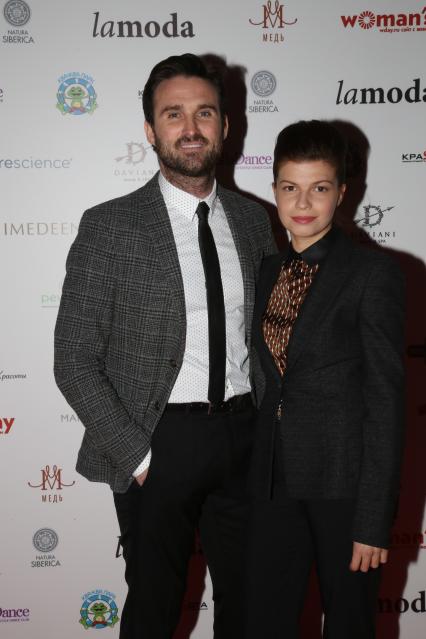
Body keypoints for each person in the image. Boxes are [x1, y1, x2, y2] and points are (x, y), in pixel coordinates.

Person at [54, 53, 275, 638]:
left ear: (226, 125)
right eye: (173, 114)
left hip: (245, 438)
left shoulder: (256, 222)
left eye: (205, 112)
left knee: (250, 605)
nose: (191, 128)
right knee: (154, 611)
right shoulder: (109, 226)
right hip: (157, 438)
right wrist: (141, 458)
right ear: (151, 131)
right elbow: (73, 358)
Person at [246, 120, 405, 638]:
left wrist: (373, 520)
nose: (302, 203)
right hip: (273, 483)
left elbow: (386, 403)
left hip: (344, 486)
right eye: (289, 187)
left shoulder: (372, 274)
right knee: (267, 622)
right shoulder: (265, 271)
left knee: (349, 624)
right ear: (274, 190)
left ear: (342, 191)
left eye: (319, 188)